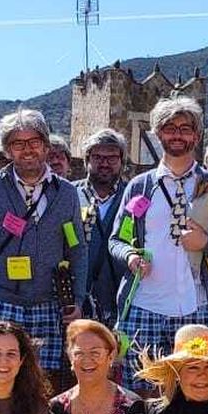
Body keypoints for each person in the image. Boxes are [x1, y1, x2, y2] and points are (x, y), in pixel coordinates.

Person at [108, 98, 208, 390]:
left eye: (185, 128)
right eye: (170, 128)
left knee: (195, 394)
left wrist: (205, 242)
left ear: (196, 136)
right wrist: (131, 256)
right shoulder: (139, 185)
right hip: (142, 307)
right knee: (138, 394)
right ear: (158, 134)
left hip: (195, 308)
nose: (177, 134)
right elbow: (116, 240)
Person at [0, 109, 90, 375]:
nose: (27, 150)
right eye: (18, 143)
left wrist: (77, 299)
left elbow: (77, 248)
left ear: (46, 146)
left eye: (34, 142)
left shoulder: (66, 193)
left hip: (48, 305)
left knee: (43, 382)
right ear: (7, 149)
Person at [78, 128, 131, 328]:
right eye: (98, 157)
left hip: (120, 297)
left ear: (122, 162)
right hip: (76, 299)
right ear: (87, 159)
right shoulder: (68, 195)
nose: (105, 163)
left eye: (112, 158)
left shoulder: (134, 196)